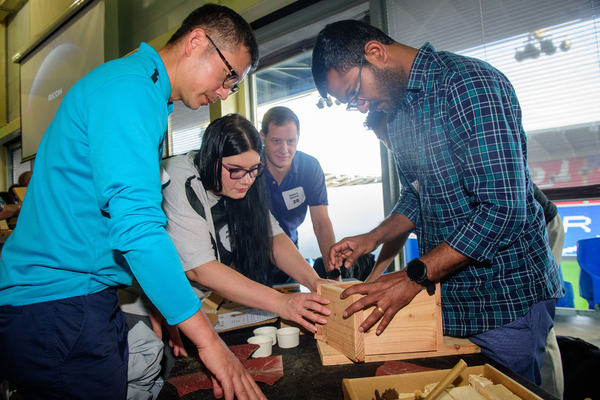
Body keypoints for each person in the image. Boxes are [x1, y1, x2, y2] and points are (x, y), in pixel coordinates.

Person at [0, 4, 265, 400]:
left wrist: (161, 303)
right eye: (229, 76)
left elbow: (108, 221)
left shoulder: (143, 93)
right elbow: (138, 229)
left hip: (69, 299)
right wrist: (211, 344)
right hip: (60, 302)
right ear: (197, 42)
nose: (225, 92)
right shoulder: (130, 91)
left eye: (235, 85)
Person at [311, 20, 562, 385]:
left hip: (505, 300)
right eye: (351, 104)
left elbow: (504, 210)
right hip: (451, 301)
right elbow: (418, 194)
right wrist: (373, 237)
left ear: (375, 53)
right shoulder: (396, 113)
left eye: (354, 93)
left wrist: (414, 275)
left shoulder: (469, 85)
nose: (361, 107)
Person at [162, 113, 331, 330]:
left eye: (254, 170)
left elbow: (272, 238)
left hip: (187, 305)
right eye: (235, 170)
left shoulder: (246, 180)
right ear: (211, 158)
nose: (247, 180)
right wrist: (281, 302)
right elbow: (200, 269)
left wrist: (315, 282)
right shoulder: (178, 176)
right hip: (147, 303)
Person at [259, 106, 337, 281]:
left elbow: (321, 223)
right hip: (251, 257)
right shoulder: (250, 167)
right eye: (276, 141)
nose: (284, 149)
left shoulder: (310, 168)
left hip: (289, 257)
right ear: (262, 137)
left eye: (290, 141)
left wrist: (333, 273)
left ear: (298, 138)